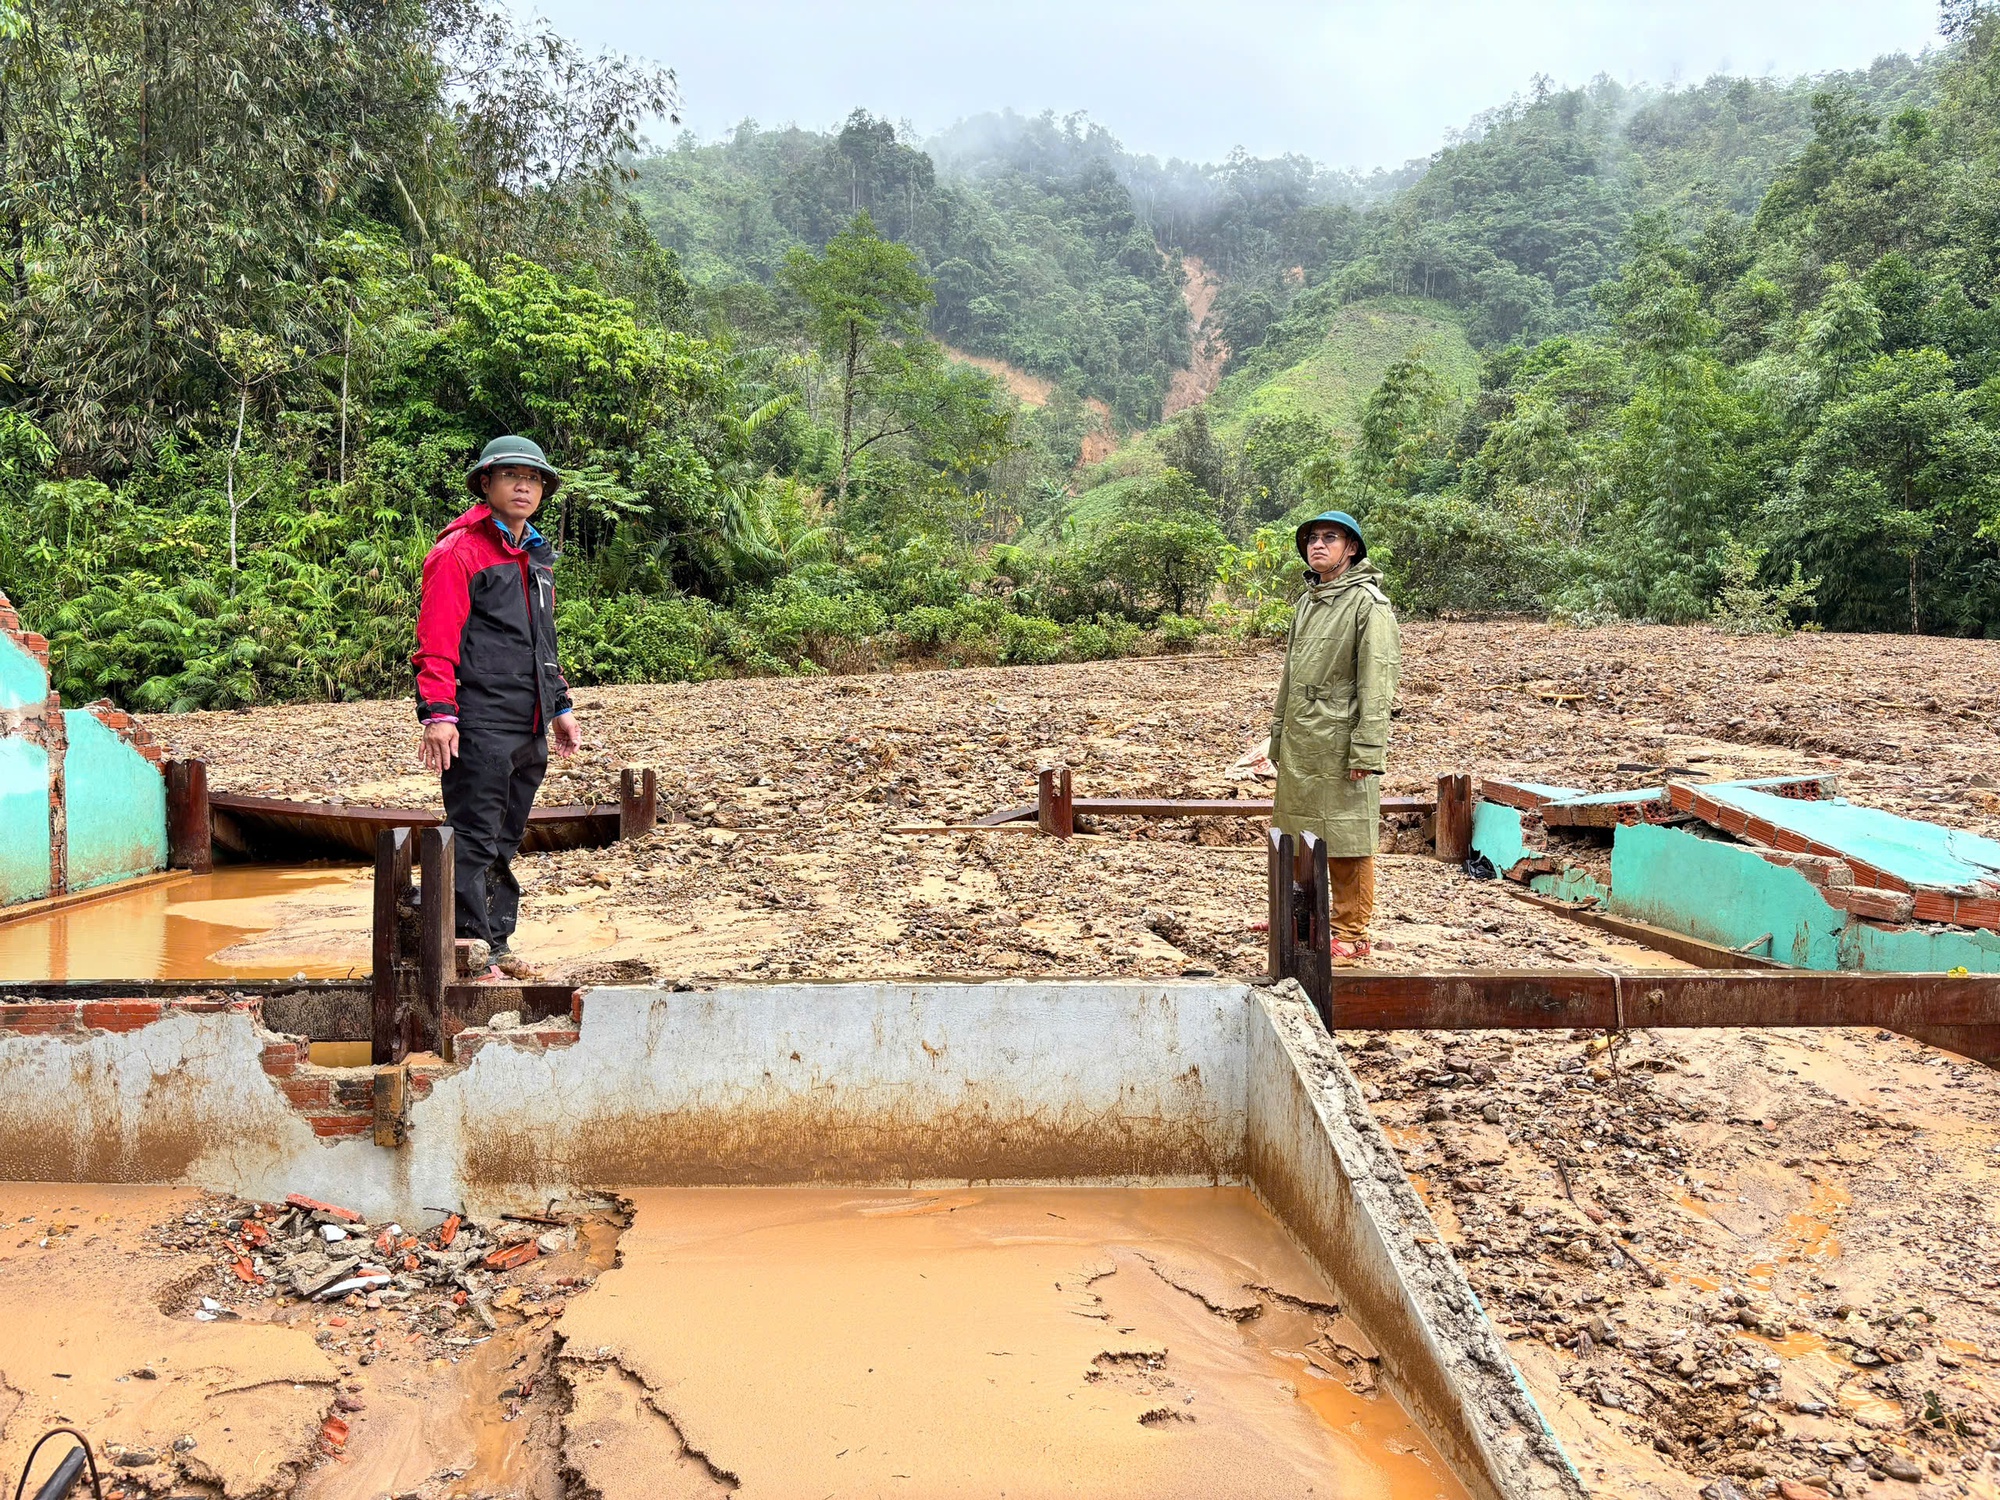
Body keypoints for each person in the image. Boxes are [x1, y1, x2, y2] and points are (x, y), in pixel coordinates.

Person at [413, 435, 582, 978]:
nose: (524, 486)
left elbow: (543, 644)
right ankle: (467, 951)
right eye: (511, 476)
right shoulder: (458, 552)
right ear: (486, 484)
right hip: (478, 720)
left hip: (528, 721)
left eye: (533, 479)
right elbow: (436, 641)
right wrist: (439, 715)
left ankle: (498, 945)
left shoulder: (536, 558)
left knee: (507, 837)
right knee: (473, 834)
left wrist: (559, 707)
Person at [1266, 510, 1401, 959]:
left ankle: (1351, 931)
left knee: (1347, 837)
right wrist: (1278, 734)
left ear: (1352, 548)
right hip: (1303, 735)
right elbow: (1289, 673)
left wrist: (1366, 747)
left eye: (1330, 537)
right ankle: (1299, 915)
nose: (1317, 545)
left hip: (1342, 738)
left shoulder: (1368, 604)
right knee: (1296, 830)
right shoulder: (1308, 602)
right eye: (1311, 538)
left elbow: (1377, 682)